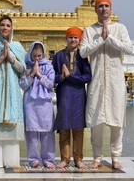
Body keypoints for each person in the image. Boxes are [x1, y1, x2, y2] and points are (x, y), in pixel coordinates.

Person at [79, 0, 133, 169]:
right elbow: (82, 52)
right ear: (96, 10)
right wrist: (100, 39)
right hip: (96, 81)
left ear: (111, 8)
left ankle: (115, 157)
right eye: (100, 6)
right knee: (96, 122)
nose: (103, 9)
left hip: (115, 81)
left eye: (106, 6)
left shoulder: (120, 28)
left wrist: (109, 38)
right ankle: (97, 157)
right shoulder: (89, 30)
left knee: (117, 121)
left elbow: (129, 49)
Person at [0, 15, 26, 168]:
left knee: (12, 127)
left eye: (8, 25)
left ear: (12, 28)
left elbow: (24, 69)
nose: (5, 28)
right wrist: (1, 58)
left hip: (13, 91)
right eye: (2, 25)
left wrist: (11, 58)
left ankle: (11, 162)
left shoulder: (17, 47)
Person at [52, 27, 91, 169]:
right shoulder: (58, 56)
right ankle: (64, 159)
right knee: (63, 127)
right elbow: (53, 77)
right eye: (70, 37)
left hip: (79, 96)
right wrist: (62, 77)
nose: (73, 40)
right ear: (66, 39)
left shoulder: (82, 56)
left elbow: (87, 77)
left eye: (75, 37)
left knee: (78, 128)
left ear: (80, 40)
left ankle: (78, 159)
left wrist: (71, 76)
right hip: (64, 95)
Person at [19, 41, 56, 169]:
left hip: (45, 103)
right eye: (34, 56)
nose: (37, 59)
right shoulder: (26, 67)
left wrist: (39, 75)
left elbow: (51, 85)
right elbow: (23, 85)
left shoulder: (49, 67)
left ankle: (48, 158)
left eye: (39, 56)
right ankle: (33, 158)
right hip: (30, 103)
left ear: (43, 55)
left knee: (47, 132)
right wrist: (32, 74)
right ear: (30, 55)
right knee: (31, 132)